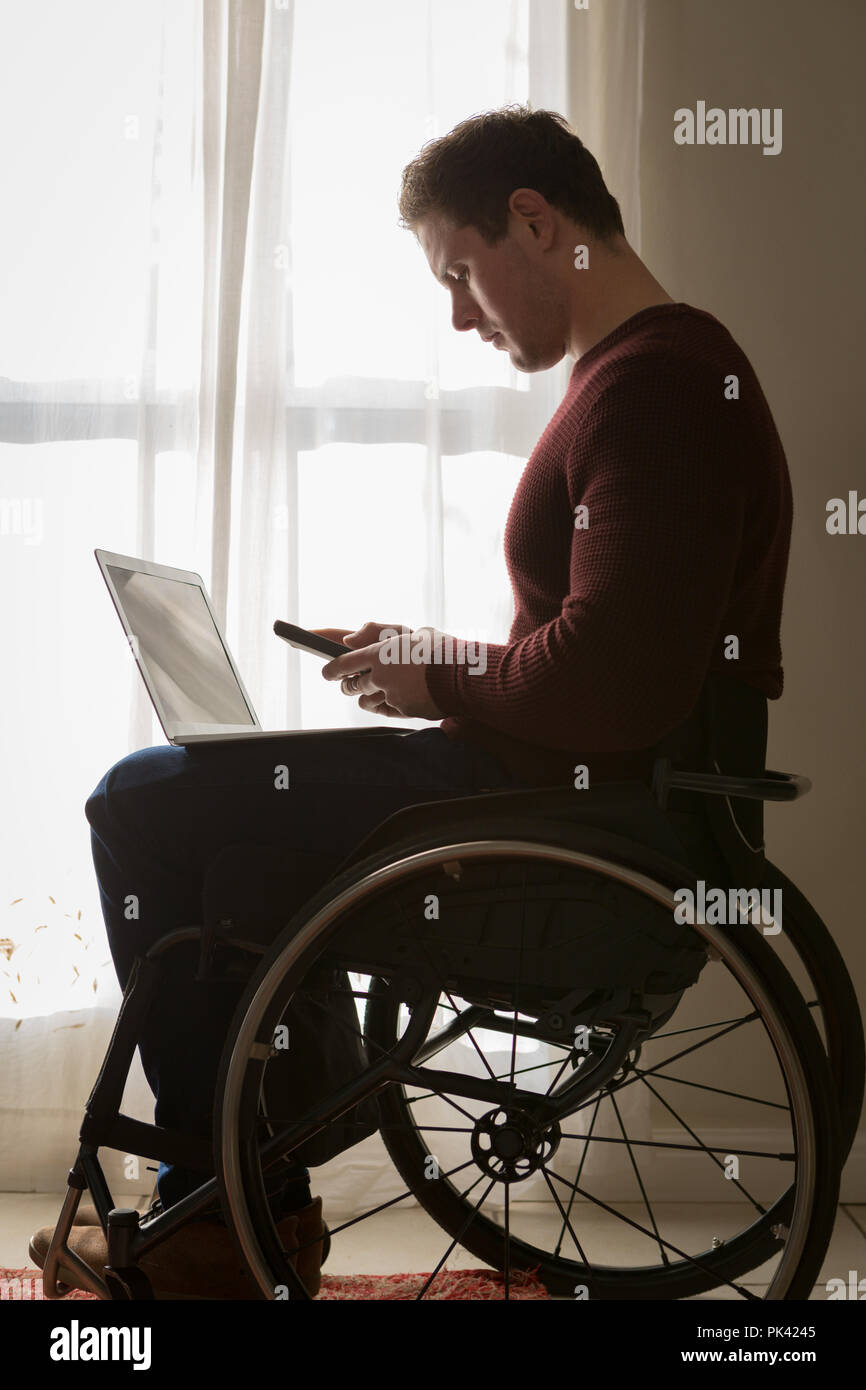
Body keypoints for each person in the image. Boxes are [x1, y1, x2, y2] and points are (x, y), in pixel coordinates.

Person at [29, 104, 791, 1298]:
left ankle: (220, 1210)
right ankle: (237, 1194)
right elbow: (607, 652)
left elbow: (612, 682)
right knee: (220, 816)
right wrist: (429, 653)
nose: (456, 313)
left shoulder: (656, 391)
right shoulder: (655, 377)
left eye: (458, 273)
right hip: (567, 796)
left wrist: (433, 675)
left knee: (143, 801)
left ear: (530, 222)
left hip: (565, 826)